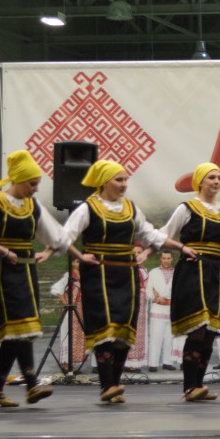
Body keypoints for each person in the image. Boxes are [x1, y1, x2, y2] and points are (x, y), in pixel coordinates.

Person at [63, 159, 193, 404]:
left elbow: (151, 235)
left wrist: (175, 247)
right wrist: (79, 255)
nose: (124, 184)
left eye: (125, 180)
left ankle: (113, 384)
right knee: (105, 327)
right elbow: (64, 236)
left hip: (126, 274)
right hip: (99, 275)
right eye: (119, 179)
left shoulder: (131, 208)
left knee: (123, 330)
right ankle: (107, 385)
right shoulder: (88, 208)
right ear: (104, 182)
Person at [0, 150, 68, 407]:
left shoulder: (33, 207)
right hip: (0, 274)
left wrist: (47, 252)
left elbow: (57, 237)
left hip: (25, 273)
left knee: (18, 332)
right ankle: (32, 384)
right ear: (19, 180)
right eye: (32, 184)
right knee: (21, 328)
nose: (35, 189)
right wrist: (0, 250)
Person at [159, 163, 220, 402]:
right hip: (192, 272)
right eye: (211, 177)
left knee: (211, 331)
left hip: (213, 274)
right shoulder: (187, 208)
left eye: (219, 177)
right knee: (198, 329)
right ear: (200, 181)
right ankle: (190, 387)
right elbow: (163, 235)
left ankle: (198, 385)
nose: (216, 181)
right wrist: (181, 247)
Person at [144, 251, 175, 371]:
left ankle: (167, 362)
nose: (166, 260)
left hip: (171, 309)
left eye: (168, 258)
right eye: (164, 258)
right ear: (160, 259)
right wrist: (157, 299)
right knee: (156, 337)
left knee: (169, 337)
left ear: (172, 259)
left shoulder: (176, 272)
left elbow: (179, 289)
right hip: (158, 308)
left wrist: (173, 300)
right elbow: (148, 290)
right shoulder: (154, 272)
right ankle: (153, 363)